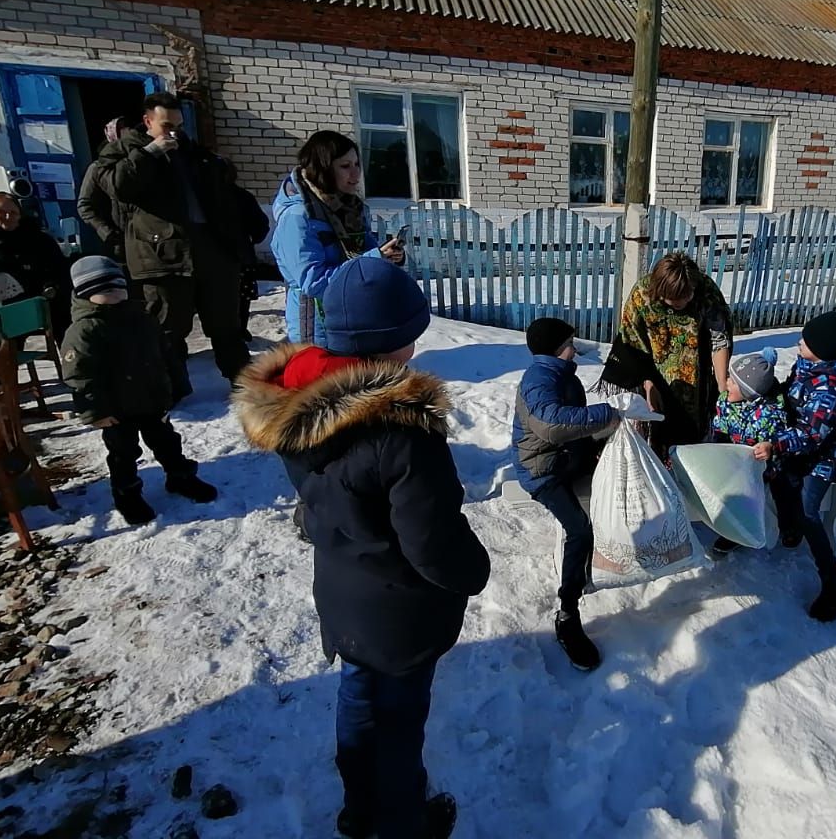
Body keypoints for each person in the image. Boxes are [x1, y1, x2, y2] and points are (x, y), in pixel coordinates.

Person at [235, 255, 488, 839]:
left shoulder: (300, 402)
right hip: (400, 610)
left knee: (357, 697)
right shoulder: (402, 429)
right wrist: (473, 571)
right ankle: (403, 822)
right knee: (399, 723)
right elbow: (432, 541)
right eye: (411, 335)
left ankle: (358, 806)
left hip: (343, 593)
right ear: (394, 341)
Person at [93, 92, 252, 397]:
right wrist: (150, 152)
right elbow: (117, 187)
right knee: (168, 330)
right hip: (161, 256)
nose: (173, 132)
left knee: (226, 326)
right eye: (166, 125)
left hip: (210, 251)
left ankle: (245, 384)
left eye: (178, 125)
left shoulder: (191, 151)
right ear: (147, 121)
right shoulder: (123, 152)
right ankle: (171, 389)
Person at [60, 256, 218, 526]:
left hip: (152, 400)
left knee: (167, 442)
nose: (114, 294)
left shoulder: (142, 317)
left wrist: (176, 387)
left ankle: (180, 477)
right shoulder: (84, 330)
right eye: (104, 291)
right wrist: (95, 411)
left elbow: (166, 355)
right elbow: (80, 376)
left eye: (118, 288)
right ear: (86, 295)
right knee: (123, 454)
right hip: (116, 410)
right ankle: (127, 494)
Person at [512, 317, 620, 671]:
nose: (576, 346)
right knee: (580, 528)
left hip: (567, 460)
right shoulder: (539, 378)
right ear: (559, 347)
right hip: (543, 472)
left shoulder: (561, 373)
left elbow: (574, 423)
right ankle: (567, 612)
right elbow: (553, 425)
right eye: (571, 341)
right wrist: (608, 413)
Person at [760, 311, 836, 621]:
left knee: (808, 511)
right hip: (797, 446)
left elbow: (813, 434)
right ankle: (790, 527)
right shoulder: (807, 365)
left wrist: (777, 445)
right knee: (777, 477)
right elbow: (792, 397)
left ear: (824, 350)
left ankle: (834, 583)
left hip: (823, 455)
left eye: (807, 340)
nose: (799, 341)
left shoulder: (829, 389)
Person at [270, 130, 406, 348]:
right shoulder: (298, 218)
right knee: (328, 381)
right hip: (318, 328)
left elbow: (364, 248)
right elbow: (313, 282)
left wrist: (389, 256)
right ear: (323, 169)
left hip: (351, 317)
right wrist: (374, 258)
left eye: (356, 164)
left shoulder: (349, 208)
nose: (356, 174)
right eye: (345, 166)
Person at [601, 253, 733, 459]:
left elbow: (719, 339)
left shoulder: (706, 292)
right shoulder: (642, 295)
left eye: (685, 297)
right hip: (652, 369)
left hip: (695, 374)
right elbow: (632, 341)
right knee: (656, 424)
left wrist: (722, 383)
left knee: (693, 428)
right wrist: (647, 382)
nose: (678, 303)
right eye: (672, 300)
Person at [708, 349, 787, 557]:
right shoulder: (726, 401)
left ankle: (741, 534)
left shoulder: (770, 415)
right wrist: (718, 446)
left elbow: (779, 443)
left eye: (733, 382)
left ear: (749, 391)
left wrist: (770, 450)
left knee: (750, 500)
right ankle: (730, 529)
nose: (726, 384)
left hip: (761, 469)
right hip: (734, 461)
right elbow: (719, 427)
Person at [0, 189, 72, 342]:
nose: (7, 216)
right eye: (1, 212)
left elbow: (59, 270)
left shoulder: (38, 239)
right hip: (5, 306)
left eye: (13, 212)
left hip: (40, 298)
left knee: (62, 306)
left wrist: (51, 286)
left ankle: (70, 355)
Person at [218, 158, 270, 341]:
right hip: (241, 256)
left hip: (214, 259)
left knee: (219, 297)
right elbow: (261, 226)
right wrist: (251, 240)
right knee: (242, 297)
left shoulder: (203, 197)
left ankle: (228, 334)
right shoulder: (242, 196)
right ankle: (239, 329)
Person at [78, 116, 129, 260]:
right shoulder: (98, 168)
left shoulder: (140, 162)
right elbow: (84, 206)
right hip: (118, 244)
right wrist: (106, 232)